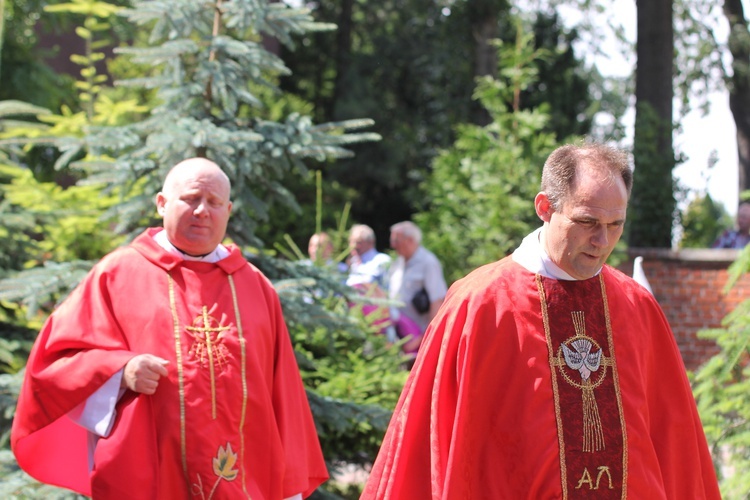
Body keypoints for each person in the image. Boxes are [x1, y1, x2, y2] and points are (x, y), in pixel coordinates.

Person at [362, 143, 720, 498]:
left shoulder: (636, 306)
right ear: (545, 207)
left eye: (616, 224)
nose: (602, 240)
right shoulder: (480, 304)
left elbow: (675, 444)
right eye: (587, 222)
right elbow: (430, 445)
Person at [11, 158, 328, 499]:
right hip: (149, 472)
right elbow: (57, 360)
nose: (202, 211)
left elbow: (283, 390)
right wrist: (122, 371)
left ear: (229, 209)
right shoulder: (118, 274)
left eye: (214, 202)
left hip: (244, 477)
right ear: (162, 203)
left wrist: (288, 485)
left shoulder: (254, 286)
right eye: (191, 199)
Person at [387, 221, 448, 353]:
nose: (392, 245)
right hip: (399, 338)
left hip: (419, 340)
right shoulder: (397, 263)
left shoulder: (428, 263)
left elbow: (437, 302)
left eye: (396, 240)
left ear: (410, 240)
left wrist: (425, 338)